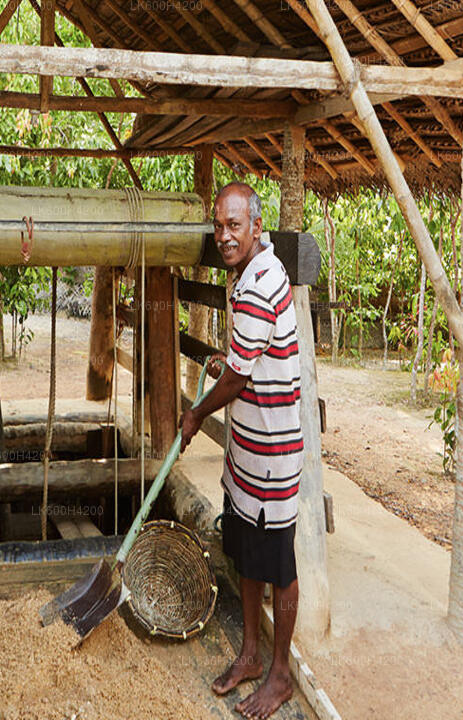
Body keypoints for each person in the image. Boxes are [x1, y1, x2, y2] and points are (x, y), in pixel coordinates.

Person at [180, 182, 302, 720]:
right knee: (248, 555)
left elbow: (237, 379)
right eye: (219, 226)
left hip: (272, 455)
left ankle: (280, 675)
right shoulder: (248, 274)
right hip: (246, 453)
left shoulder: (259, 282)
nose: (225, 236)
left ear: (255, 226)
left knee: (279, 564)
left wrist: (196, 412)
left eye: (234, 225)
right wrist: (226, 368)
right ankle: (251, 655)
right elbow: (245, 362)